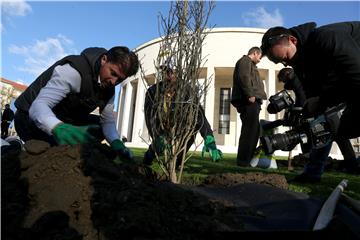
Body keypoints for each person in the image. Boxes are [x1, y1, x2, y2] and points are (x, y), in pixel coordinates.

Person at [14, 46, 139, 160]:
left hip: (63, 118)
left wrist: (116, 142)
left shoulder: (109, 89)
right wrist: (58, 128)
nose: (113, 82)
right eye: (113, 73)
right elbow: (38, 106)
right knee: (53, 151)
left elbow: (107, 121)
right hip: (28, 118)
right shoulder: (74, 71)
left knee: (97, 128)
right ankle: (13, 147)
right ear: (104, 60)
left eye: (119, 79)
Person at [260, 21, 360, 140]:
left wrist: (322, 101)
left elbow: (357, 75)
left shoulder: (325, 37)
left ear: (293, 40)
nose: (286, 64)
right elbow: (312, 98)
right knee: (345, 130)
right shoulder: (301, 64)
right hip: (353, 84)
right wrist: (301, 115)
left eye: (285, 57)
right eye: (281, 62)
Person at [277, 68, 359, 180]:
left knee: (322, 138)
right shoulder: (298, 77)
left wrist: (303, 111)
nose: (284, 83)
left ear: (286, 75)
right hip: (325, 107)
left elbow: (301, 97)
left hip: (321, 108)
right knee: (337, 137)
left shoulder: (296, 79)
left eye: (283, 80)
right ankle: (351, 165)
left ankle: (314, 172)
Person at [143, 66, 222, 166]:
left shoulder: (186, 90)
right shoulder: (153, 91)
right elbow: (149, 116)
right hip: (161, 125)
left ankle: (176, 164)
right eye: (166, 72)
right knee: (159, 146)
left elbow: (199, 114)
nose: (169, 76)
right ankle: (149, 157)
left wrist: (209, 138)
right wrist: (156, 135)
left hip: (180, 125)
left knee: (193, 127)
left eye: (172, 72)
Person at [231, 47, 267, 167]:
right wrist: (250, 94)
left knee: (253, 130)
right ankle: (243, 161)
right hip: (248, 101)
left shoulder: (250, 64)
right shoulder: (245, 61)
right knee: (249, 131)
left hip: (252, 101)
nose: (260, 59)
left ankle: (247, 159)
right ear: (255, 53)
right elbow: (244, 77)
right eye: (260, 57)